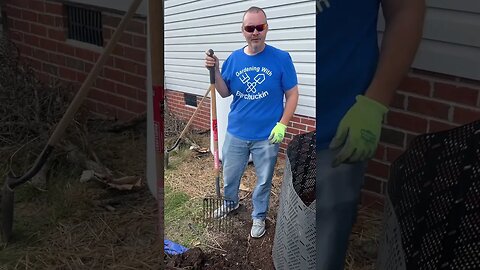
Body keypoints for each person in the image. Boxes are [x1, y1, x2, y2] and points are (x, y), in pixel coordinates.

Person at [315, 0, 425, 269]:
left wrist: (374, 104)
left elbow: (406, 8)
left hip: (337, 128)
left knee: (323, 252)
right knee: (294, 236)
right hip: (287, 127)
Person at [204, 6, 299, 239]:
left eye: (260, 27)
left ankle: (258, 215)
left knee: (264, 179)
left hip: (267, 135)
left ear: (266, 28)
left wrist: (283, 124)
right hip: (236, 132)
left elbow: (293, 94)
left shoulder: (281, 58)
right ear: (243, 30)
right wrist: (216, 71)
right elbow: (225, 93)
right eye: (250, 28)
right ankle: (230, 203)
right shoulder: (234, 59)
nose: (255, 32)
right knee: (231, 174)